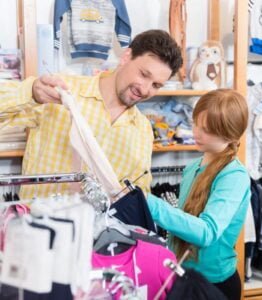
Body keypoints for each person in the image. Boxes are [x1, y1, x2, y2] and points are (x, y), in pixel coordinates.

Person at [0, 29, 182, 199]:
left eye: (156, 85)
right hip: (41, 228)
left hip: (102, 232)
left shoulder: (142, 130)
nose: (144, 89)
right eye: (143, 74)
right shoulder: (61, 91)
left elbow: (140, 191)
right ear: (126, 57)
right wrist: (31, 93)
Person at [146, 89, 251, 300]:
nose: (197, 132)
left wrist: (150, 203)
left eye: (208, 130)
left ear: (229, 133)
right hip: (184, 276)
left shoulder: (234, 176)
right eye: (195, 123)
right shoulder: (193, 167)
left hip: (214, 285)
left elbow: (207, 232)